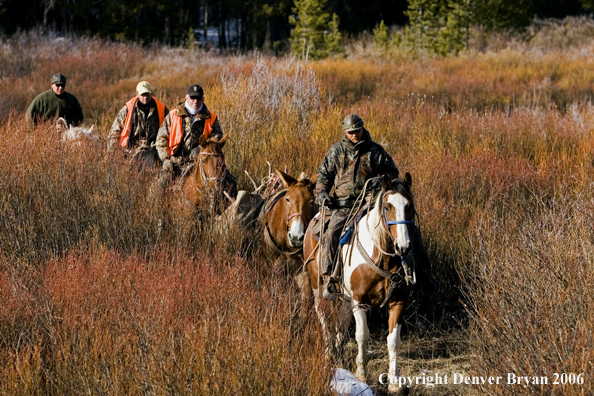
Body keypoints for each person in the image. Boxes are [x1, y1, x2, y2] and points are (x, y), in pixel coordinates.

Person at [315, 114, 438, 299]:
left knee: (411, 231)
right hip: (343, 206)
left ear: (362, 128)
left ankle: (424, 276)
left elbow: (393, 173)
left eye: (357, 131)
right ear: (344, 132)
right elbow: (324, 176)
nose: (354, 135)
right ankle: (330, 279)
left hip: (372, 203)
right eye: (350, 132)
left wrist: (381, 181)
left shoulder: (376, 151)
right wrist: (323, 194)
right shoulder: (335, 152)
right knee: (331, 233)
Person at [156, 84, 236, 190]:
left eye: (198, 98)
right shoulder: (173, 115)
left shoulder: (210, 117)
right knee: (161, 185)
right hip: (176, 162)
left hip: (203, 162)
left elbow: (217, 137)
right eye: (193, 97)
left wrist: (201, 148)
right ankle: (157, 207)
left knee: (231, 183)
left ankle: (230, 206)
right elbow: (161, 139)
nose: (195, 101)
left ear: (203, 99)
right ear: (187, 98)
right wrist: (166, 159)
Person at [108, 81, 169, 168]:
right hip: (130, 150)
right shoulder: (127, 109)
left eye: (147, 94)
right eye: (143, 94)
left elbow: (171, 128)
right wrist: (113, 153)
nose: (145, 97)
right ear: (137, 94)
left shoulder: (161, 108)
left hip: (154, 149)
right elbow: (114, 132)